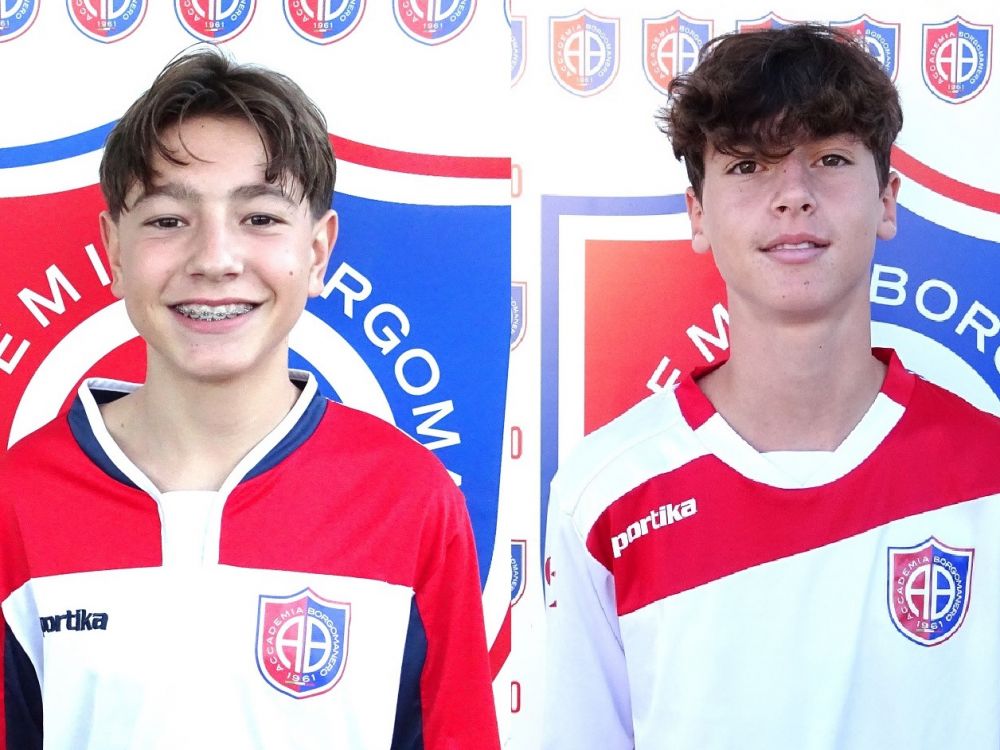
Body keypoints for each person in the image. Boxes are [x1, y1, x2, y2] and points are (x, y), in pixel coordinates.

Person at [0, 48, 500, 750]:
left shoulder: (408, 497)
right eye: (168, 220)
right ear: (114, 250)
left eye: (260, 218)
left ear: (318, 251)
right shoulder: (19, 500)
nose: (215, 259)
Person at [543, 23, 1000, 749]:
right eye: (749, 165)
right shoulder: (606, 492)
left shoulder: (988, 475)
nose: (793, 195)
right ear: (697, 213)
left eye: (830, 159)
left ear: (887, 202)